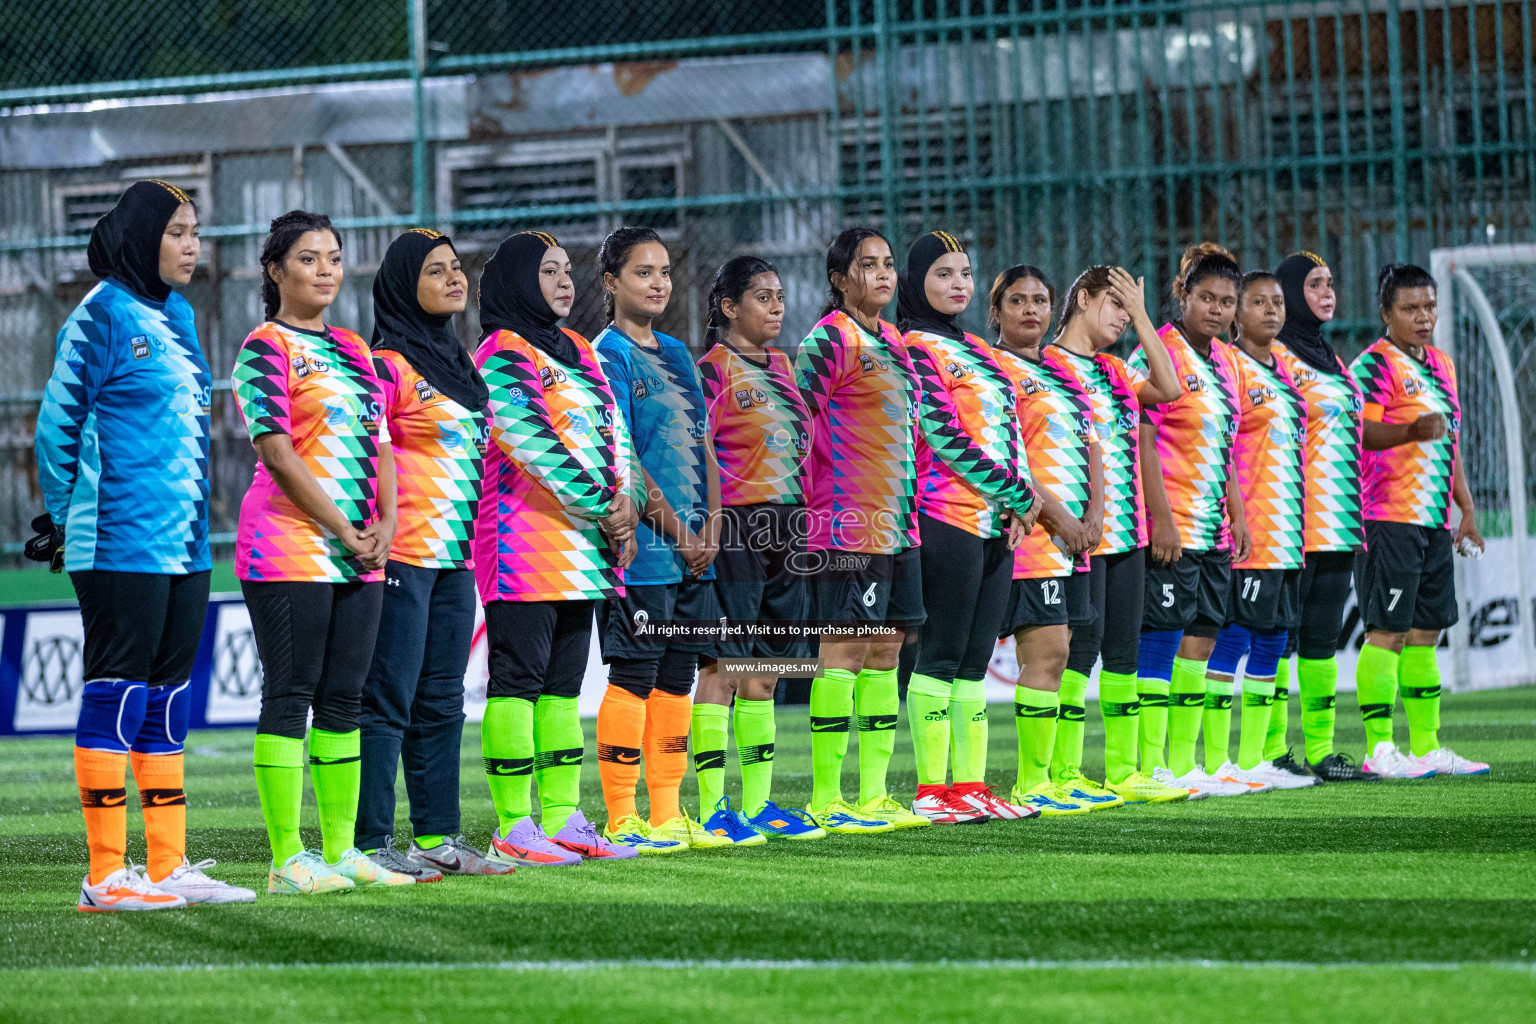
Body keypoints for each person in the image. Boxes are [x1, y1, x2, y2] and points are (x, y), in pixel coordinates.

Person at [34, 180, 254, 910]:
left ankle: (167, 866)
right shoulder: (97, 317)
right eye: (178, 232)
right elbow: (56, 426)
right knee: (117, 694)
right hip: (117, 537)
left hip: (185, 542)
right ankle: (103, 874)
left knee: (166, 702)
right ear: (141, 236)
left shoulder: (182, 314)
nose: (193, 245)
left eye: (196, 232)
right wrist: (66, 521)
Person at [233, 210, 414, 893]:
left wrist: (387, 523)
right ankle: (287, 857)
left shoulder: (356, 350)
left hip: (362, 547)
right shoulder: (263, 347)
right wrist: (345, 527)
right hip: (288, 544)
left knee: (345, 697)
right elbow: (276, 453)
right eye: (309, 259)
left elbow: (384, 444)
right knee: (290, 693)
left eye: (334, 257)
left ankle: (339, 852)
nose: (326, 270)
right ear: (276, 270)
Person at [473, 230, 648, 864]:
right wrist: (610, 510)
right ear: (520, 281)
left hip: (588, 547)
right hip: (524, 542)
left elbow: (614, 431)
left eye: (567, 270)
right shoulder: (500, 352)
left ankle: (563, 817)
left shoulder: (578, 347)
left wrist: (626, 505)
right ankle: (514, 826)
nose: (564, 281)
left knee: (563, 688)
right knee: (516, 683)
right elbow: (531, 442)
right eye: (548, 271)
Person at [356, 229, 509, 880]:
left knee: (444, 698)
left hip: (456, 555)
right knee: (388, 697)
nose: (455, 279)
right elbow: (363, 453)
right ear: (401, 286)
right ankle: (369, 842)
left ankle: (438, 837)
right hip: (402, 555)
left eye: (457, 269)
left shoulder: (461, 364)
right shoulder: (385, 365)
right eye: (436, 271)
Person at [1011, 264, 1191, 806]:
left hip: (1127, 528)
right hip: (1074, 535)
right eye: (1116, 306)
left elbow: (1169, 387)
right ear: (1085, 298)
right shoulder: (1050, 365)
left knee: (1123, 652)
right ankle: (1059, 771)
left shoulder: (1114, 370)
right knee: (1074, 653)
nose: (1122, 318)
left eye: (1128, 309)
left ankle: (1122, 769)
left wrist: (1141, 316)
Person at [594, 227, 731, 850]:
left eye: (664, 272)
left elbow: (704, 444)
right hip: (646, 549)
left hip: (697, 548)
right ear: (610, 283)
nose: (658, 284)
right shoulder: (606, 354)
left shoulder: (678, 352)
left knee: (678, 676)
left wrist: (715, 522)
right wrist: (678, 532)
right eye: (643, 272)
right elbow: (620, 452)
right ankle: (622, 814)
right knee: (635, 672)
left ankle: (668, 812)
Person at [900, 233, 1039, 824]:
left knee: (975, 660)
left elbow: (1010, 427)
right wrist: (1019, 493)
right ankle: (933, 790)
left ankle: (972, 787)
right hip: (945, 516)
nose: (957, 284)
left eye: (964, 273)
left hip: (994, 520)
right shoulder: (913, 346)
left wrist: (1019, 503)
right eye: (942, 274)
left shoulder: (976, 347)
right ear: (917, 283)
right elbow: (944, 436)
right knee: (941, 654)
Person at [792, 227, 924, 835]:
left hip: (898, 524)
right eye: (867, 265)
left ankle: (871, 796)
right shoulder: (829, 338)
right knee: (841, 654)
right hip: (846, 523)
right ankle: (826, 798)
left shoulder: (893, 339)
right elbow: (797, 423)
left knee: (887, 652)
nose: (882, 274)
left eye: (889, 264)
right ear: (840, 279)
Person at [692, 256, 825, 841]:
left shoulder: (785, 366)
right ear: (729, 307)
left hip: (787, 530)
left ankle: (762, 806)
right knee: (722, 667)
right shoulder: (710, 372)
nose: (776, 307)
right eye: (762, 297)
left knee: (764, 673)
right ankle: (712, 808)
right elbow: (699, 457)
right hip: (737, 531)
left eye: (779, 297)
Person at [1133, 243, 1261, 798]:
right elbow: (1139, 434)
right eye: (1205, 297)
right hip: (1173, 525)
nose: (1217, 309)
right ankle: (1149, 764)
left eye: (1227, 301)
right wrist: (1159, 518)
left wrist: (1237, 512)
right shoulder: (1156, 352)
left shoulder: (1228, 362)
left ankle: (1184, 765)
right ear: (1182, 294)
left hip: (1212, 528)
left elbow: (1225, 445)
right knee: (1163, 640)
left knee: (1202, 642)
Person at [1351, 264, 1489, 777]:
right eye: (1410, 308)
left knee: (1427, 632)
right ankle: (1379, 749)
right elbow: (1360, 433)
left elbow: (1447, 445)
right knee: (1386, 630)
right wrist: (1410, 429)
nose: (1424, 316)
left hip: (1431, 520)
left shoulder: (1443, 366)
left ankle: (1428, 746)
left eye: (1429, 306)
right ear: (1386, 313)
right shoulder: (1372, 366)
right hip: (1386, 516)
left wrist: (1467, 509)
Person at [1201, 271, 1316, 791]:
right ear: (1237, 314)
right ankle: (1220, 760)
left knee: (1272, 642)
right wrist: (1237, 514)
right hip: (1251, 531)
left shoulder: (1285, 370)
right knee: (1233, 638)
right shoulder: (1231, 366)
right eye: (1257, 302)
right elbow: (1221, 444)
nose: (1271, 311)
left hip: (1288, 532)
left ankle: (1254, 761)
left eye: (1277, 302)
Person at [1271, 252, 1377, 781]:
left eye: (1331, 283)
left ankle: (1320, 751)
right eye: (1315, 284)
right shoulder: (1275, 357)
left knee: (1319, 641)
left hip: (1338, 520)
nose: (1328, 292)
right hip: (1293, 522)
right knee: (1277, 640)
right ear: (1290, 293)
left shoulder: (1330, 357)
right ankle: (1271, 753)